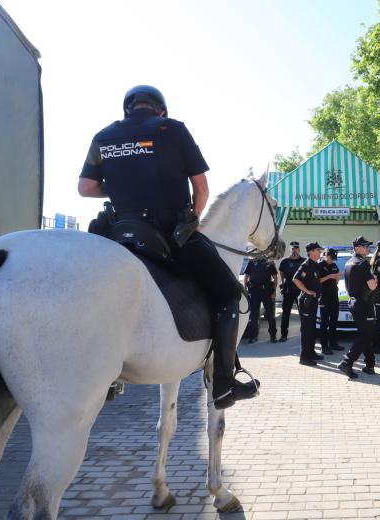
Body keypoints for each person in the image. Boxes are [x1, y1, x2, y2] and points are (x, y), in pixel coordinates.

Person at [78, 85, 257, 410]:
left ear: (127, 109)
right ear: (161, 110)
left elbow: (85, 187)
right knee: (230, 295)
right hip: (168, 233)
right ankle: (224, 386)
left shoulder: (103, 135)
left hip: (121, 232)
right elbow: (201, 187)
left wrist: (122, 187)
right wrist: (194, 219)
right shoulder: (171, 129)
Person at [338, 236, 378, 378]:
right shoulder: (362, 263)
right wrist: (375, 281)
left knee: (365, 333)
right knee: (365, 334)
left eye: (368, 246)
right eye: (364, 246)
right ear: (356, 247)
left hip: (355, 303)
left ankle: (369, 365)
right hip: (364, 303)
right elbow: (372, 286)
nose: (367, 248)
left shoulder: (349, 262)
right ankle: (347, 362)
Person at [293, 242, 323, 366]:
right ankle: (304, 357)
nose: (320, 253)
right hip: (306, 301)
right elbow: (295, 279)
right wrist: (307, 291)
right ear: (311, 252)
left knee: (311, 329)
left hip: (313, 301)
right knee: (306, 330)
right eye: (318, 250)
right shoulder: (306, 265)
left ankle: (310, 352)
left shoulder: (315, 265)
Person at [243, 257, 278, 343]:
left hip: (267, 291)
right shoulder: (252, 262)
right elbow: (246, 276)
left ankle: (273, 336)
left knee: (270, 315)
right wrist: (245, 289)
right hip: (254, 291)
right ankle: (253, 336)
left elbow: (275, 278)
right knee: (254, 315)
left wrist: (274, 291)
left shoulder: (270, 262)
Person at [278, 241, 305, 342]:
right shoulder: (285, 261)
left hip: (300, 290)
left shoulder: (304, 261)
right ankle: (283, 335)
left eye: (296, 248)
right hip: (288, 290)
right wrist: (284, 284)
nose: (294, 250)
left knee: (303, 313)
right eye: (293, 249)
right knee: (285, 313)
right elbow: (281, 273)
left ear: (299, 249)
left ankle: (304, 333)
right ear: (290, 249)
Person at [318, 248, 343, 355]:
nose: (332, 260)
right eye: (331, 258)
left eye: (334, 259)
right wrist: (329, 276)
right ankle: (324, 346)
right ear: (326, 256)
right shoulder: (320, 266)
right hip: (324, 296)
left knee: (333, 321)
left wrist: (337, 277)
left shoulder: (334, 266)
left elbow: (337, 280)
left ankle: (333, 343)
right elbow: (317, 280)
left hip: (334, 296)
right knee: (324, 322)